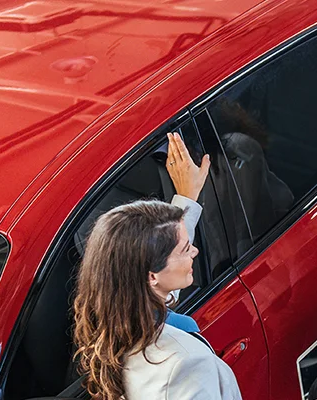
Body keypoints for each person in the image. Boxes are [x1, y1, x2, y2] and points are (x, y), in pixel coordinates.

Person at [69, 133, 248, 400]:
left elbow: (159, 275)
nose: (195, 250)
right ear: (152, 276)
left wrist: (187, 196)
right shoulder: (185, 366)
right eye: (186, 248)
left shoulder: (112, 314)